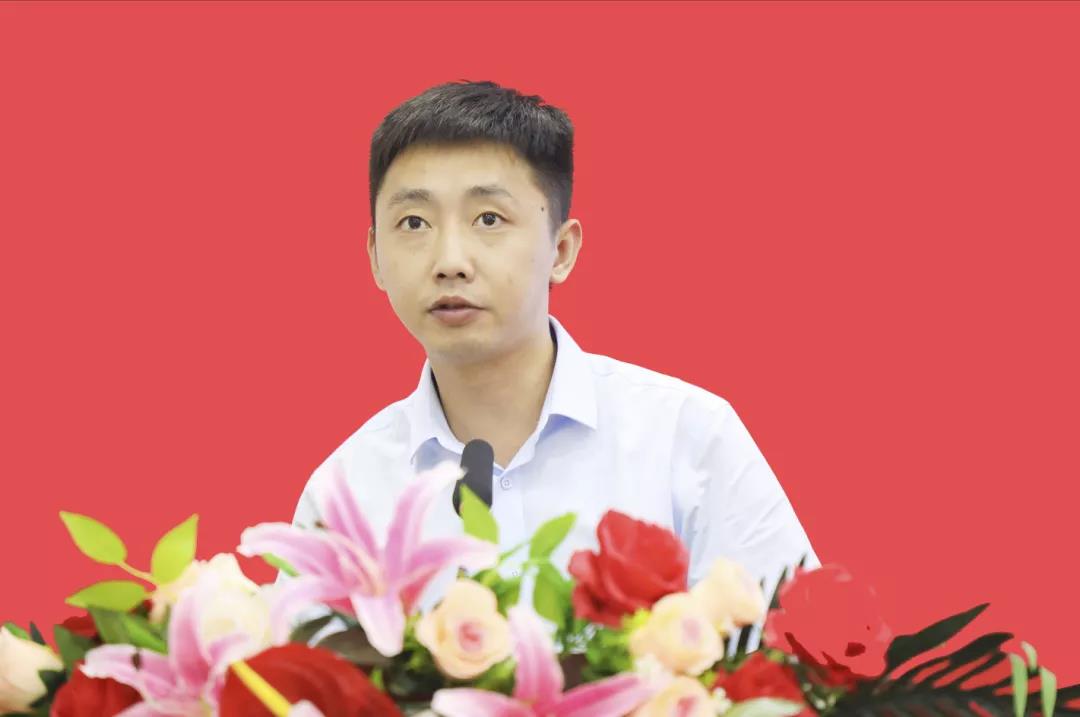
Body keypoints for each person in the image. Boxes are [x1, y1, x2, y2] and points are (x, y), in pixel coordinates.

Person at [290, 80, 820, 653]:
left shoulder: (687, 437)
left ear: (561, 251)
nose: (450, 261)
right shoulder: (346, 492)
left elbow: (797, 667)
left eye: (488, 218)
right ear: (375, 257)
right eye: (414, 223)